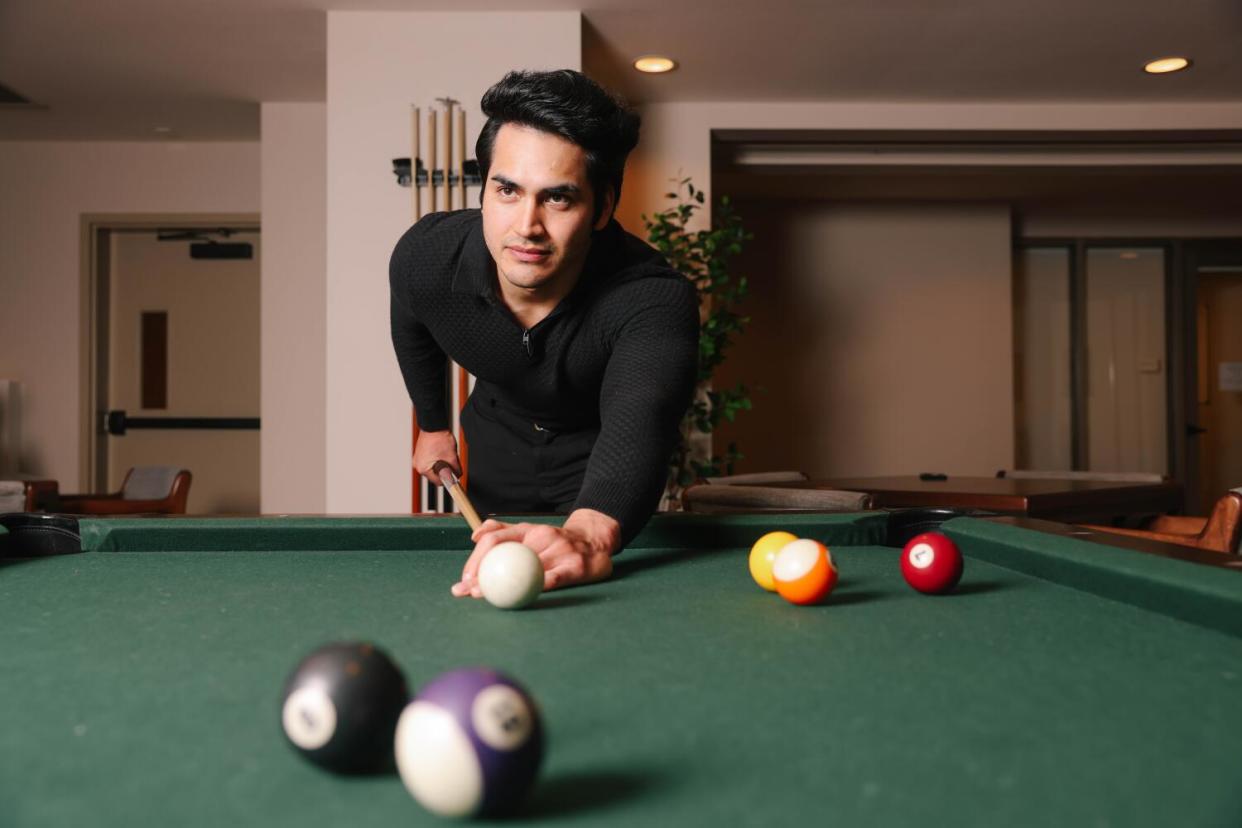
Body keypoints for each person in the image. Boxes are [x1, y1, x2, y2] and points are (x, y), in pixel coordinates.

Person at [389, 69, 699, 597]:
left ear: (602, 207)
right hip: (496, 437)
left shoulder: (653, 300)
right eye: (507, 190)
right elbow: (411, 319)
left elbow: (640, 422)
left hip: (596, 452)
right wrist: (434, 424)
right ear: (483, 189)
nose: (526, 225)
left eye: (558, 199)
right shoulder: (426, 258)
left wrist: (590, 534)